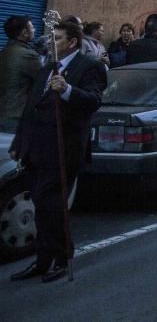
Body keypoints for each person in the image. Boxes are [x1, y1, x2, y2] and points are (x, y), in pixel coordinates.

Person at [8, 20, 106, 283]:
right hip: (35, 146)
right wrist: (19, 142)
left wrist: (67, 90)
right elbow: (31, 108)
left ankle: (61, 257)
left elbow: (94, 101)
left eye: (58, 38)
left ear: (72, 42)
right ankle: (42, 260)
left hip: (63, 147)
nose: (51, 43)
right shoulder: (45, 68)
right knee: (40, 205)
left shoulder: (90, 66)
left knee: (52, 205)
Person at [0, 15, 42, 132]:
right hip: (16, 117)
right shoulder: (28, 55)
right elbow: (44, 79)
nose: (35, 30)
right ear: (24, 32)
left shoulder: (4, 52)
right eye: (32, 27)